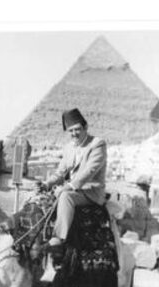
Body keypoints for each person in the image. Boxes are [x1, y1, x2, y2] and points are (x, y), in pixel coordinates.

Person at [39, 108, 108, 260]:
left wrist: (69, 186)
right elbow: (60, 172)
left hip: (90, 192)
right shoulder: (69, 147)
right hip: (72, 190)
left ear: (85, 127)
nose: (74, 134)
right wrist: (46, 184)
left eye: (77, 129)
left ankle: (58, 239)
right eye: (70, 131)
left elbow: (90, 171)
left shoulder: (97, 144)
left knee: (65, 197)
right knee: (38, 198)